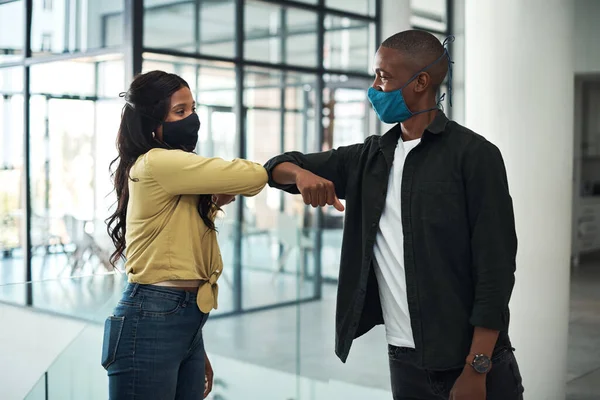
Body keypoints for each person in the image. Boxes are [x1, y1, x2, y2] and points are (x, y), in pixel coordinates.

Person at [264, 30, 524, 400]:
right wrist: (302, 175)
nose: (374, 87)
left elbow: (496, 270)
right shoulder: (367, 159)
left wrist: (477, 366)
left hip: (472, 362)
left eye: (383, 76)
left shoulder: (475, 155)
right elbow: (277, 168)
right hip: (404, 361)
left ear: (420, 82)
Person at [102, 70, 267, 399]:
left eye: (193, 109)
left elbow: (180, 239)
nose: (191, 119)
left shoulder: (170, 169)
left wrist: (192, 345)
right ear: (152, 120)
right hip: (152, 313)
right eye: (180, 112)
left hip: (182, 316)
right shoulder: (158, 162)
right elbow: (255, 176)